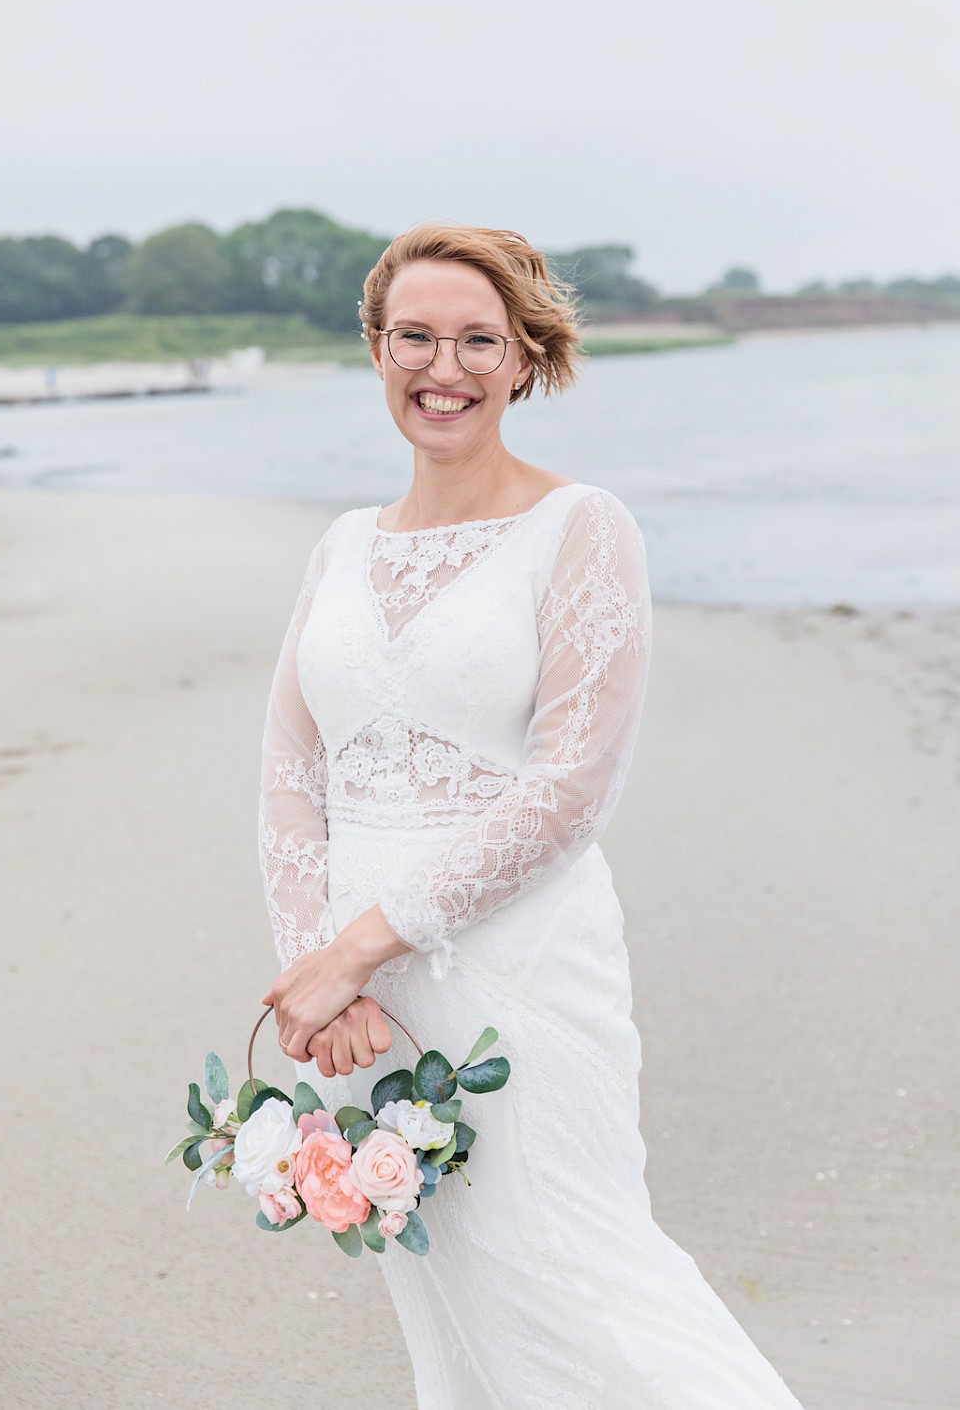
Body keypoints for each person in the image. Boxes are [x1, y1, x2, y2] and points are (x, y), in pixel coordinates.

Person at [257, 223, 806, 1408]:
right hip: (364, 1011)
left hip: (515, 970)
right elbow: (289, 770)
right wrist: (316, 976)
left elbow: (571, 789)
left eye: (476, 341)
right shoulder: (340, 546)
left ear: (521, 361)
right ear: (374, 345)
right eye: (415, 335)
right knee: (455, 1302)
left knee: (576, 1272)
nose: (440, 367)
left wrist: (355, 947)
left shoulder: (581, 527)